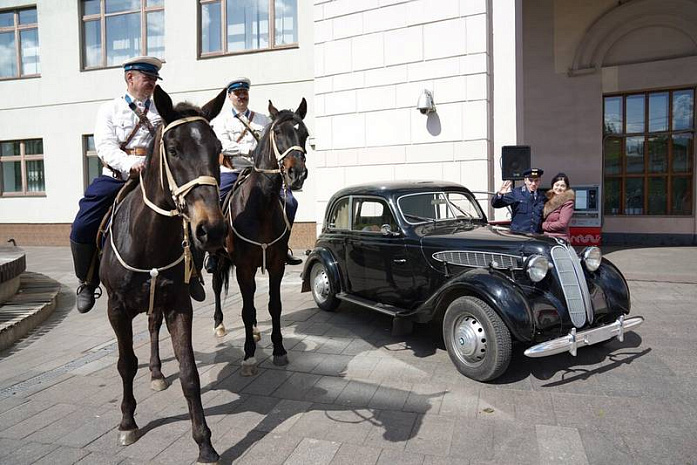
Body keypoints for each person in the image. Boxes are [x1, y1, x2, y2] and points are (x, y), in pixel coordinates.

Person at [70, 56, 205, 314]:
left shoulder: (162, 111)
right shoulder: (109, 110)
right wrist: (128, 163)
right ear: (130, 78)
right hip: (118, 178)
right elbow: (105, 146)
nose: (152, 82)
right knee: (83, 225)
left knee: (192, 219)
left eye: (155, 78)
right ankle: (87, 282)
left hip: (156, 181)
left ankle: (194, 273)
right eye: (148, 78)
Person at [208, 77, 302, 269]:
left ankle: (283, 247)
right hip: (232, 170)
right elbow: (222, 145)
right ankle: (215, 250)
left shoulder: (262, 119)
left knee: (291, 202)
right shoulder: (221, 121)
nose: (241, 96)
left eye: (244, 93)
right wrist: (248, 150)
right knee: (217, 201)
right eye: (237, 93)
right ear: (230, 96)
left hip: (260, 172)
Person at [491, 168, 546, 234]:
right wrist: (500, 194)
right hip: (519, 235)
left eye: (536, 180)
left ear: (540, 181)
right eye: (530, 180)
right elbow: (495, 204)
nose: (533, 183)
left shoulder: (542, 196)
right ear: (525, 180)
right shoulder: (516, 193)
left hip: (536, 235)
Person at [542, 172, 575, 242]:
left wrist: (544, 226)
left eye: (562, 186)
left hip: (559, 239)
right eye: (557, 185)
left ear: (566, 188)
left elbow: (562, 223)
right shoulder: (548, 199)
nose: (559, 188)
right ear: (553, 185)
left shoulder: (568, 202)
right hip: (547, 238)